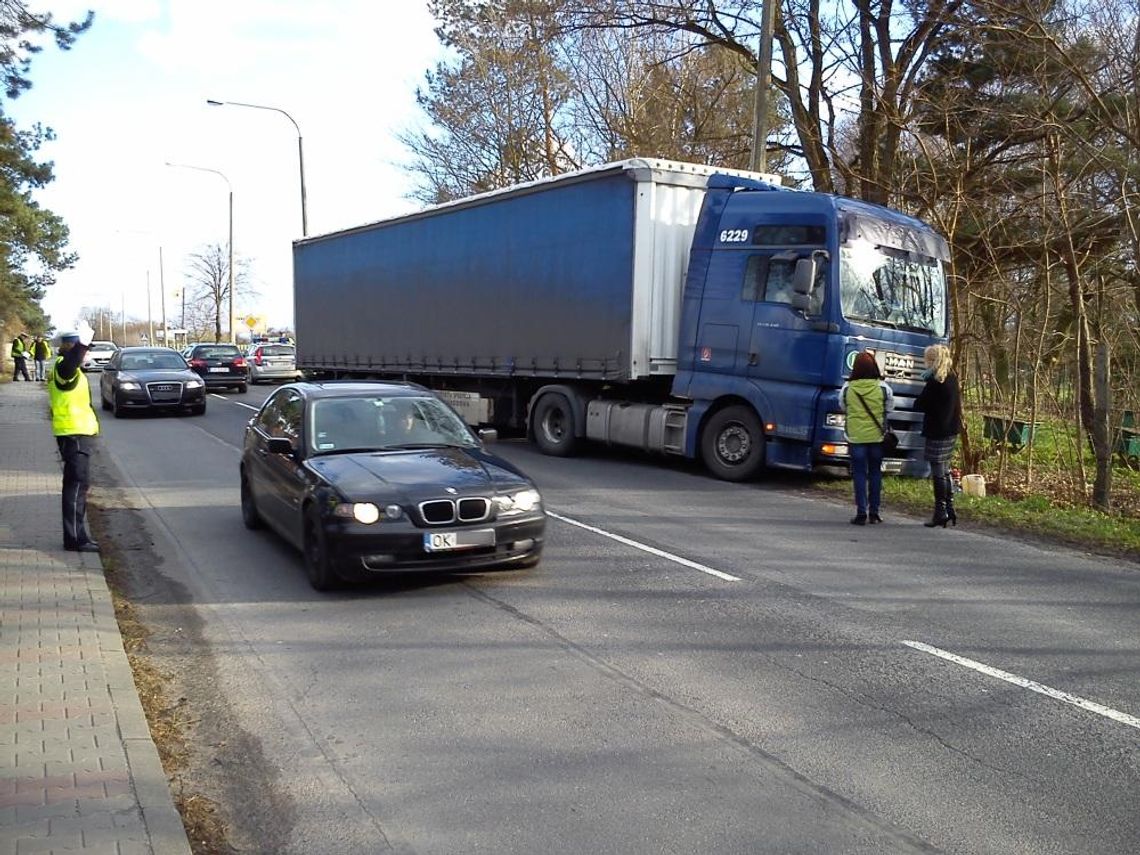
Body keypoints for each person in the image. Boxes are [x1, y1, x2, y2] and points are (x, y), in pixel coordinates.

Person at [49, 321, 100, 553]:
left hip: (75, 433)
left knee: (78, 486)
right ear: (72, 348)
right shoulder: (63, 368)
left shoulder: (67, 368)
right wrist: (82, 344)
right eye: (85, 351)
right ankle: (75, 539)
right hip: (74, 434)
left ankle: (77, 536)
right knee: (76, 488)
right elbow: (69, 368)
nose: (88, 355)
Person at [839, 350, 894, 525]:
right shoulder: (884, 388)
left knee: (859, 474)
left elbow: (842, 406)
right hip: (877, 437)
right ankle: (875, 513)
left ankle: (861, 512)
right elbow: (890, 408)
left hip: (856, 438)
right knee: (876, 473)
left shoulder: (847, 388)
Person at [914, 343, 962, 528]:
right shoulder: (952, 377)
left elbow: (920, 404)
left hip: (937, 431)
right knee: (946, 470)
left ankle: (940, 511)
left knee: (938, 472)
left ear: (932, 361)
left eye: (926, 360)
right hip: (950, 430)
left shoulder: (935, 382)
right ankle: (949, 508)